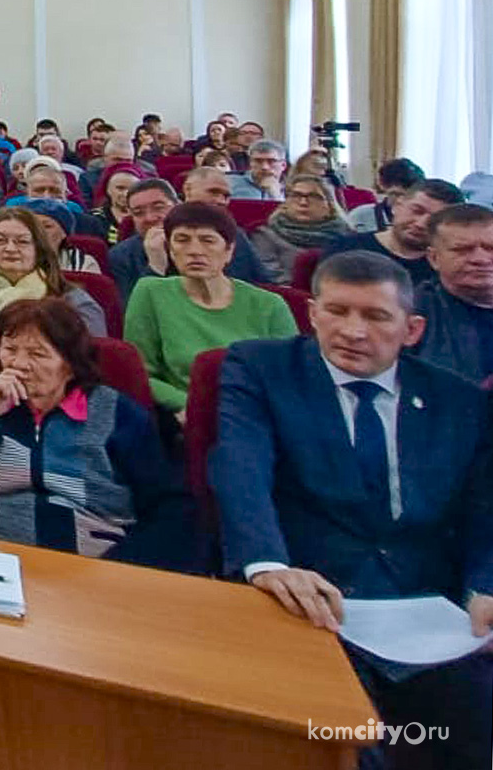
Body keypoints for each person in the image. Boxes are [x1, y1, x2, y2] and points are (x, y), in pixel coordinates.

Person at [208, 252, 493, 770]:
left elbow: (484, 508)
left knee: (464, 737)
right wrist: (266, 564)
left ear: (412, 329)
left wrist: (485, 585)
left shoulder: (460, 401)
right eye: (337, 312)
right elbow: (240, 466)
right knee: (343, 747)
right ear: (312, 313)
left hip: (432, 607)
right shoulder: (259, 369)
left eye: (376, 316)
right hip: (311, 600)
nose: (352, 331)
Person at [0, 298, 194, 569]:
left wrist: (122, 571)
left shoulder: (118, 414)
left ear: (70, 363)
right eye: (10, 349)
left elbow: (169, 511)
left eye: (37, 354)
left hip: (94, 565)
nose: (18, 363)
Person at [124, 202, 296, 416]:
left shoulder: (270, 305)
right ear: (170, 249)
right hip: (185, 417)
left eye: (208, 240)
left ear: (229, 250)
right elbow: (139, 372)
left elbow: (289, 379)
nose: (195, 251)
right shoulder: (150, 291)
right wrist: (194, 406)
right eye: (182, 240)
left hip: (255, 414)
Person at [0, 207, 106, 369]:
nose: (10, 249)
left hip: (56, 390)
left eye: (22, 241)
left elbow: (89, 363)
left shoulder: (73, 300)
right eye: (0, 240)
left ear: (39, 247)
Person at [324, 178, 464, 286]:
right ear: (397, 206)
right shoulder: (346, 249)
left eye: (436, 219)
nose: (421, 224)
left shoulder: (447, 266)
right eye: (416, 211)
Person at [412, 204, 493, 386]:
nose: (480, 259)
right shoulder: (410, 311)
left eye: (490, 248)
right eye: (462, 250)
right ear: (434, 258)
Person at [249, 174, 349, 281]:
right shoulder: (265, 235)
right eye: (296, 195)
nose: (303, 202)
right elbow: (273, 277)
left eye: (314, 196)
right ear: (285, 203)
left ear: (329, 205)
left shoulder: (347, 236)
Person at [17, 196, 101, 274]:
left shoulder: (84, 265)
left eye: (47, 226)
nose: (38, 231)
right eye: (32, 225)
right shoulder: (10, 258)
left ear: (64, 233)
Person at [349, 157, 425, 233]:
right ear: (382, 185)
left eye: (409, 196)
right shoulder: (359, 217)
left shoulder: (424, 220)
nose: (401, 201)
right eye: (397, 195)